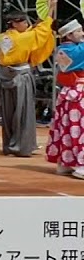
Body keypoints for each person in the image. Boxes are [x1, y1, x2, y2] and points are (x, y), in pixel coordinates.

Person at [0, 5, 55, 157]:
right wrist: (49, 13)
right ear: (15, 23)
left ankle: (10, 145)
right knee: (23, 112)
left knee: (9, 113)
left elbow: (32, 33)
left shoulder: (4, 37)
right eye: (23, 22)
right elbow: (40, 32)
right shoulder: (23, 38)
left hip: (6, 76)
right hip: (21, 76)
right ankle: (21, 146)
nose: (26, 24)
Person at [48, 20, 84, 178]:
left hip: (69, 92)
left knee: (68, 127)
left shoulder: (63, 49)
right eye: (79, 31)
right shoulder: (75, 50)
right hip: (79, 91)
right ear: (69, 34)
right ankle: (81, 166)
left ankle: (65, 162)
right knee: (80, 129)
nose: (82, 33)